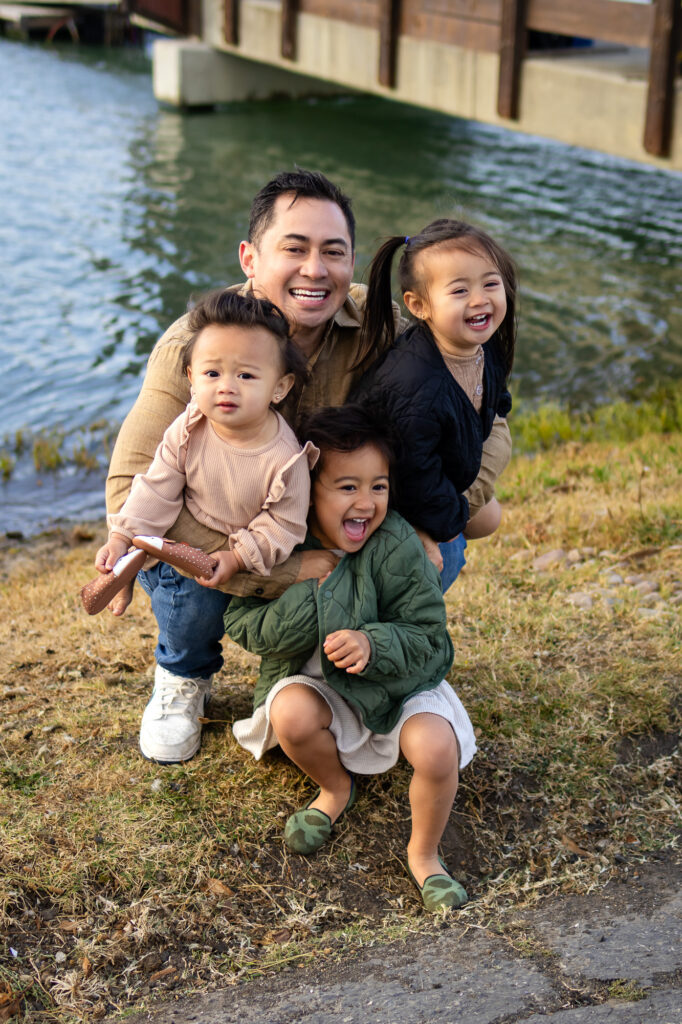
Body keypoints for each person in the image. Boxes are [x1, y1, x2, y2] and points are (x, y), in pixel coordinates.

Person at [105, 169, 506, 764]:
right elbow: (126, 490)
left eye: (333, 252)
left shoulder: (385, 327)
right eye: (294, 248)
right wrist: (281, 569)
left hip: (333, 517)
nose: (315, 270)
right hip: (224, 529)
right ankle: (184, 674)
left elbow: (484, 418)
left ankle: (358, 661)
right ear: (250, 258)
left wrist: (442, 513)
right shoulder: (197, 347)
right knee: (175, 562)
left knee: (440, 546)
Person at [224, 406, 476, 913]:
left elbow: (431, 639)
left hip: (398, 686)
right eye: (347, 487)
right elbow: (241, 624)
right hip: (321, 689)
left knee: (434, 749)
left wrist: (373, 643)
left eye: (378, 486)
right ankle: (335, 790)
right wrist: (306, 582)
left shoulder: (397, 543)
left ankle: (424, 854)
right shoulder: (280, 544)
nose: (366, 502)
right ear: (306, 491)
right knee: (290, 712)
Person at [95, 291, 316, 761]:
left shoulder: (285, 458)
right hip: (181, 555)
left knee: (270, 608)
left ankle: (292, 679)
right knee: (190, 610)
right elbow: (156, 486)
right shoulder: (188, 427)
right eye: (212, 373)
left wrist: (236, 557)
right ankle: (182, 673)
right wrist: (121, 534)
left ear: (280, 386)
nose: (227, 387)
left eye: (247, 375)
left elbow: (283, 526)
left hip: (242, 556)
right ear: (191, 378)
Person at [356, 219, 517, 591]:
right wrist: (453, 517)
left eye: (490, 284)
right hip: (385, 495)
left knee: (490, 517)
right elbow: (413, 478)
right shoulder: (416, 384)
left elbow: (496, 399)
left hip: (436, 473)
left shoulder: (483, 344)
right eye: (460, 290)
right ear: (419, 305)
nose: (480, 300)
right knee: (447, 547)